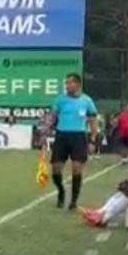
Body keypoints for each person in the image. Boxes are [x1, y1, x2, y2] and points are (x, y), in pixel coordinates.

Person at [45, 73, 99, 210]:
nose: (67, 86)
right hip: (62, 135)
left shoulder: (87, 101)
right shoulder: (60, 100)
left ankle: (73, 200)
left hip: (78, 137)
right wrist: (45, 130)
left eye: (70, 83)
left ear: (78, 84)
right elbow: (52, 117)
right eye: (66, 83)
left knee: (76, 169)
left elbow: (93, 122)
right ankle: (61, 191)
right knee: (56, 169)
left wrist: (93, 141)